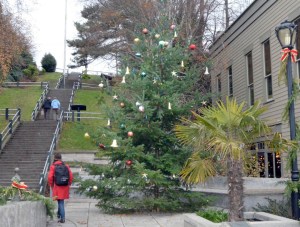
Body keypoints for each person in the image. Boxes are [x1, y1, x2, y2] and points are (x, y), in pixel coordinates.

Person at [48, 153, 73, 223]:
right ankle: (59, 214)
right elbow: (71, 176)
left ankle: (63, 218)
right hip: (65, 186)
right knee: (60, 201)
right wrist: (69, 184)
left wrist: (51, 185)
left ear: (55, 158)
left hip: (57, 186)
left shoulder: (53, 166)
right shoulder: (66, 166)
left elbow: (50, 177)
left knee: (60, 202)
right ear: (61, 158)